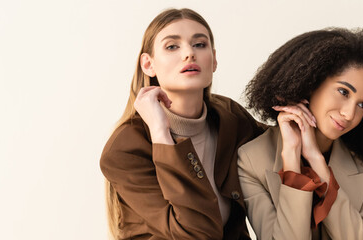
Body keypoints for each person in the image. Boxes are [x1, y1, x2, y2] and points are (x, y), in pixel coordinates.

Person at [99, 8, 264, 239]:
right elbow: (195, 233)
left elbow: (279, 148)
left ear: (214, 60)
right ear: (148, 64)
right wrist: (160, 133)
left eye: (199, 44)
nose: (189, 53)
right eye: (172, 46)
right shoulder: (125, 149)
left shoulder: (230, 117)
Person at [237, 27, 363, 240]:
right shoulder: (251, 160)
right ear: (310, 82)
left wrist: (317, 162)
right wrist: (292, 160)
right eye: (343, 92)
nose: (349, 114)